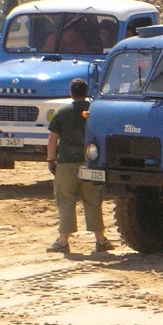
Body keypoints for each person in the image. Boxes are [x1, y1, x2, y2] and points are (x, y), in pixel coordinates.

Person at [46, 78, 114, 254]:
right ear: (86, 91)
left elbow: (52, 139)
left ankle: (63, 241)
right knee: (93, 201)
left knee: (65, 201)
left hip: (66, 164)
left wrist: (51, 161)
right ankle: (100, 240)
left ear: (71, 92)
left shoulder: (62, 112)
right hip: (90, 163)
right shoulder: (94, 111)